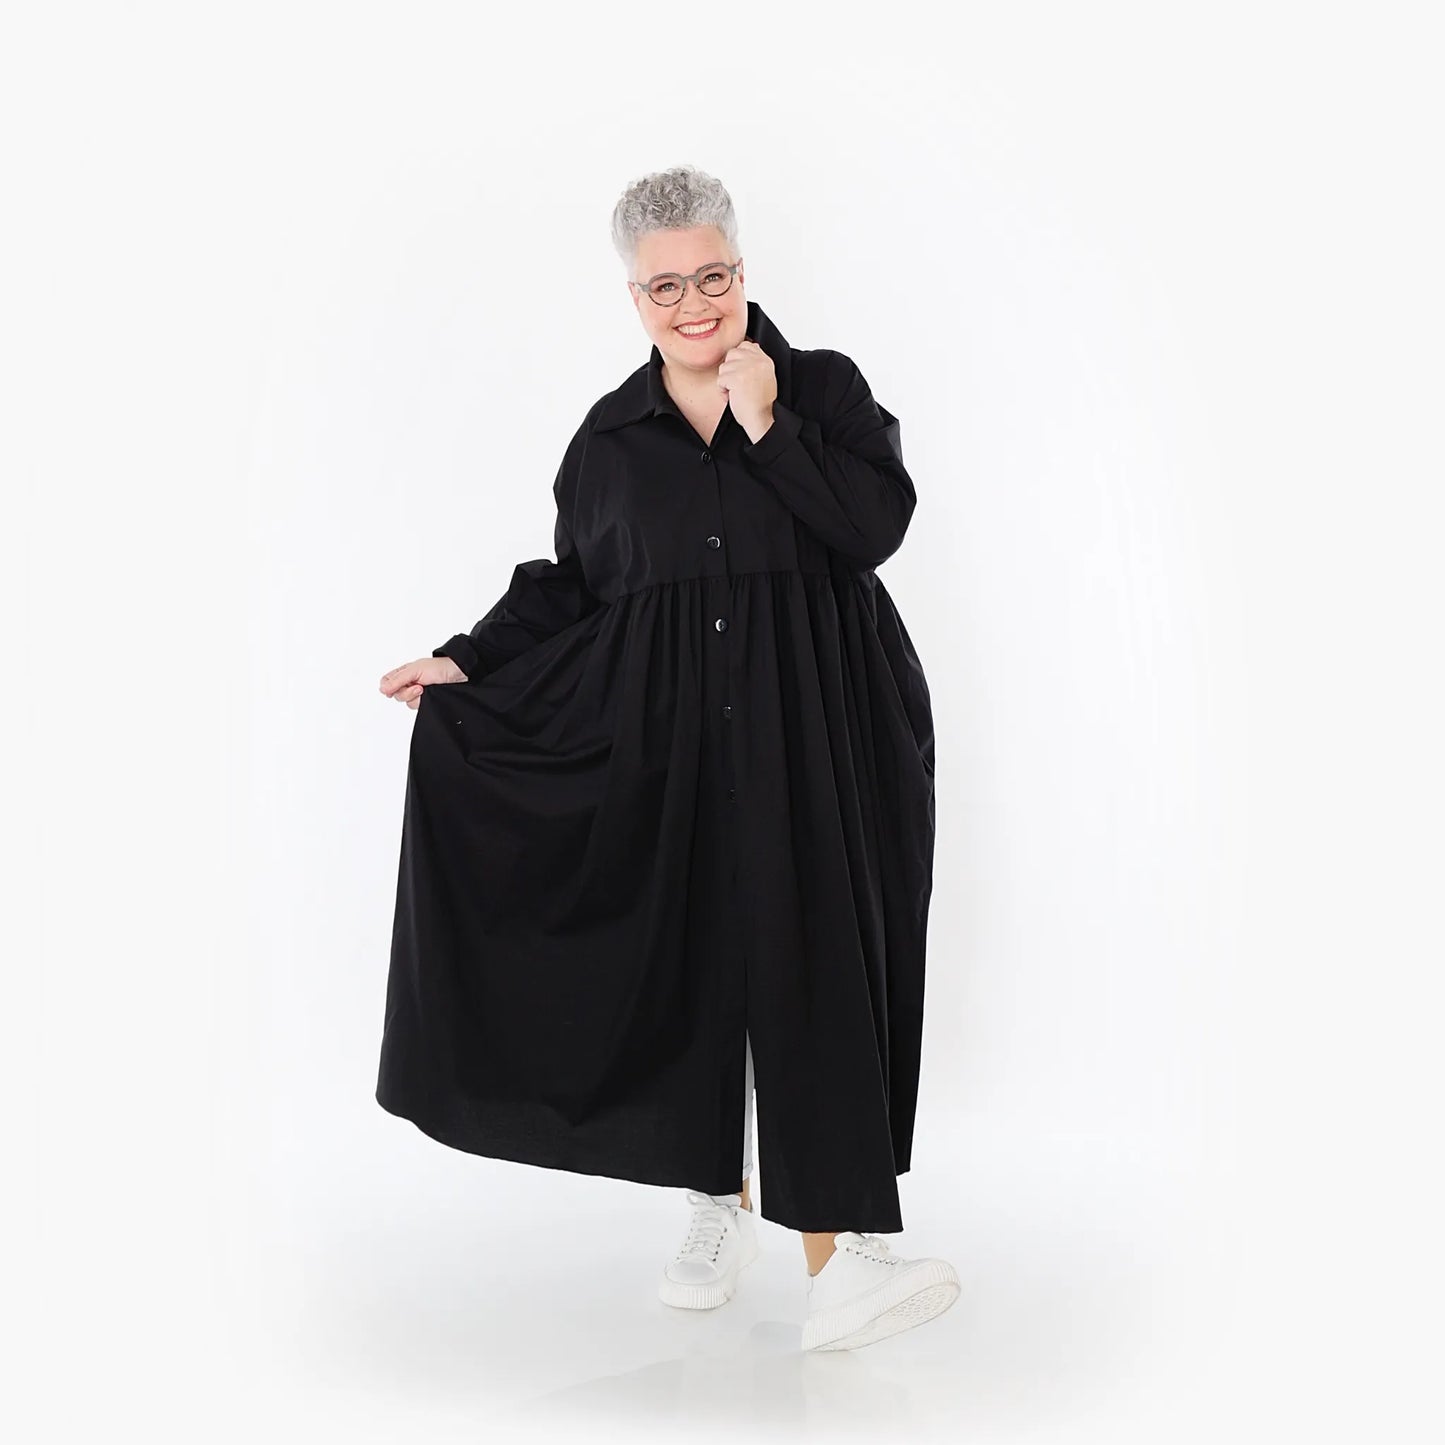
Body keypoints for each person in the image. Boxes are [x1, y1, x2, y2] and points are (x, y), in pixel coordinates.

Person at [375, 164, 957, 1351]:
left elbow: (874, 525)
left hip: (822, 731)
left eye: (711, 277)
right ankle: (714, 1198)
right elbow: (575, 585)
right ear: (633, 297)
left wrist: (769, 424)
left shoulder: (821, 389)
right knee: (693, 960)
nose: (693, 305)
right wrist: (468, 660)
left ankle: (845, 1252)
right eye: (664, 288)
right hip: (674, 741)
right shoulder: (608, 438)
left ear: (740, 270)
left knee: (812, 965)